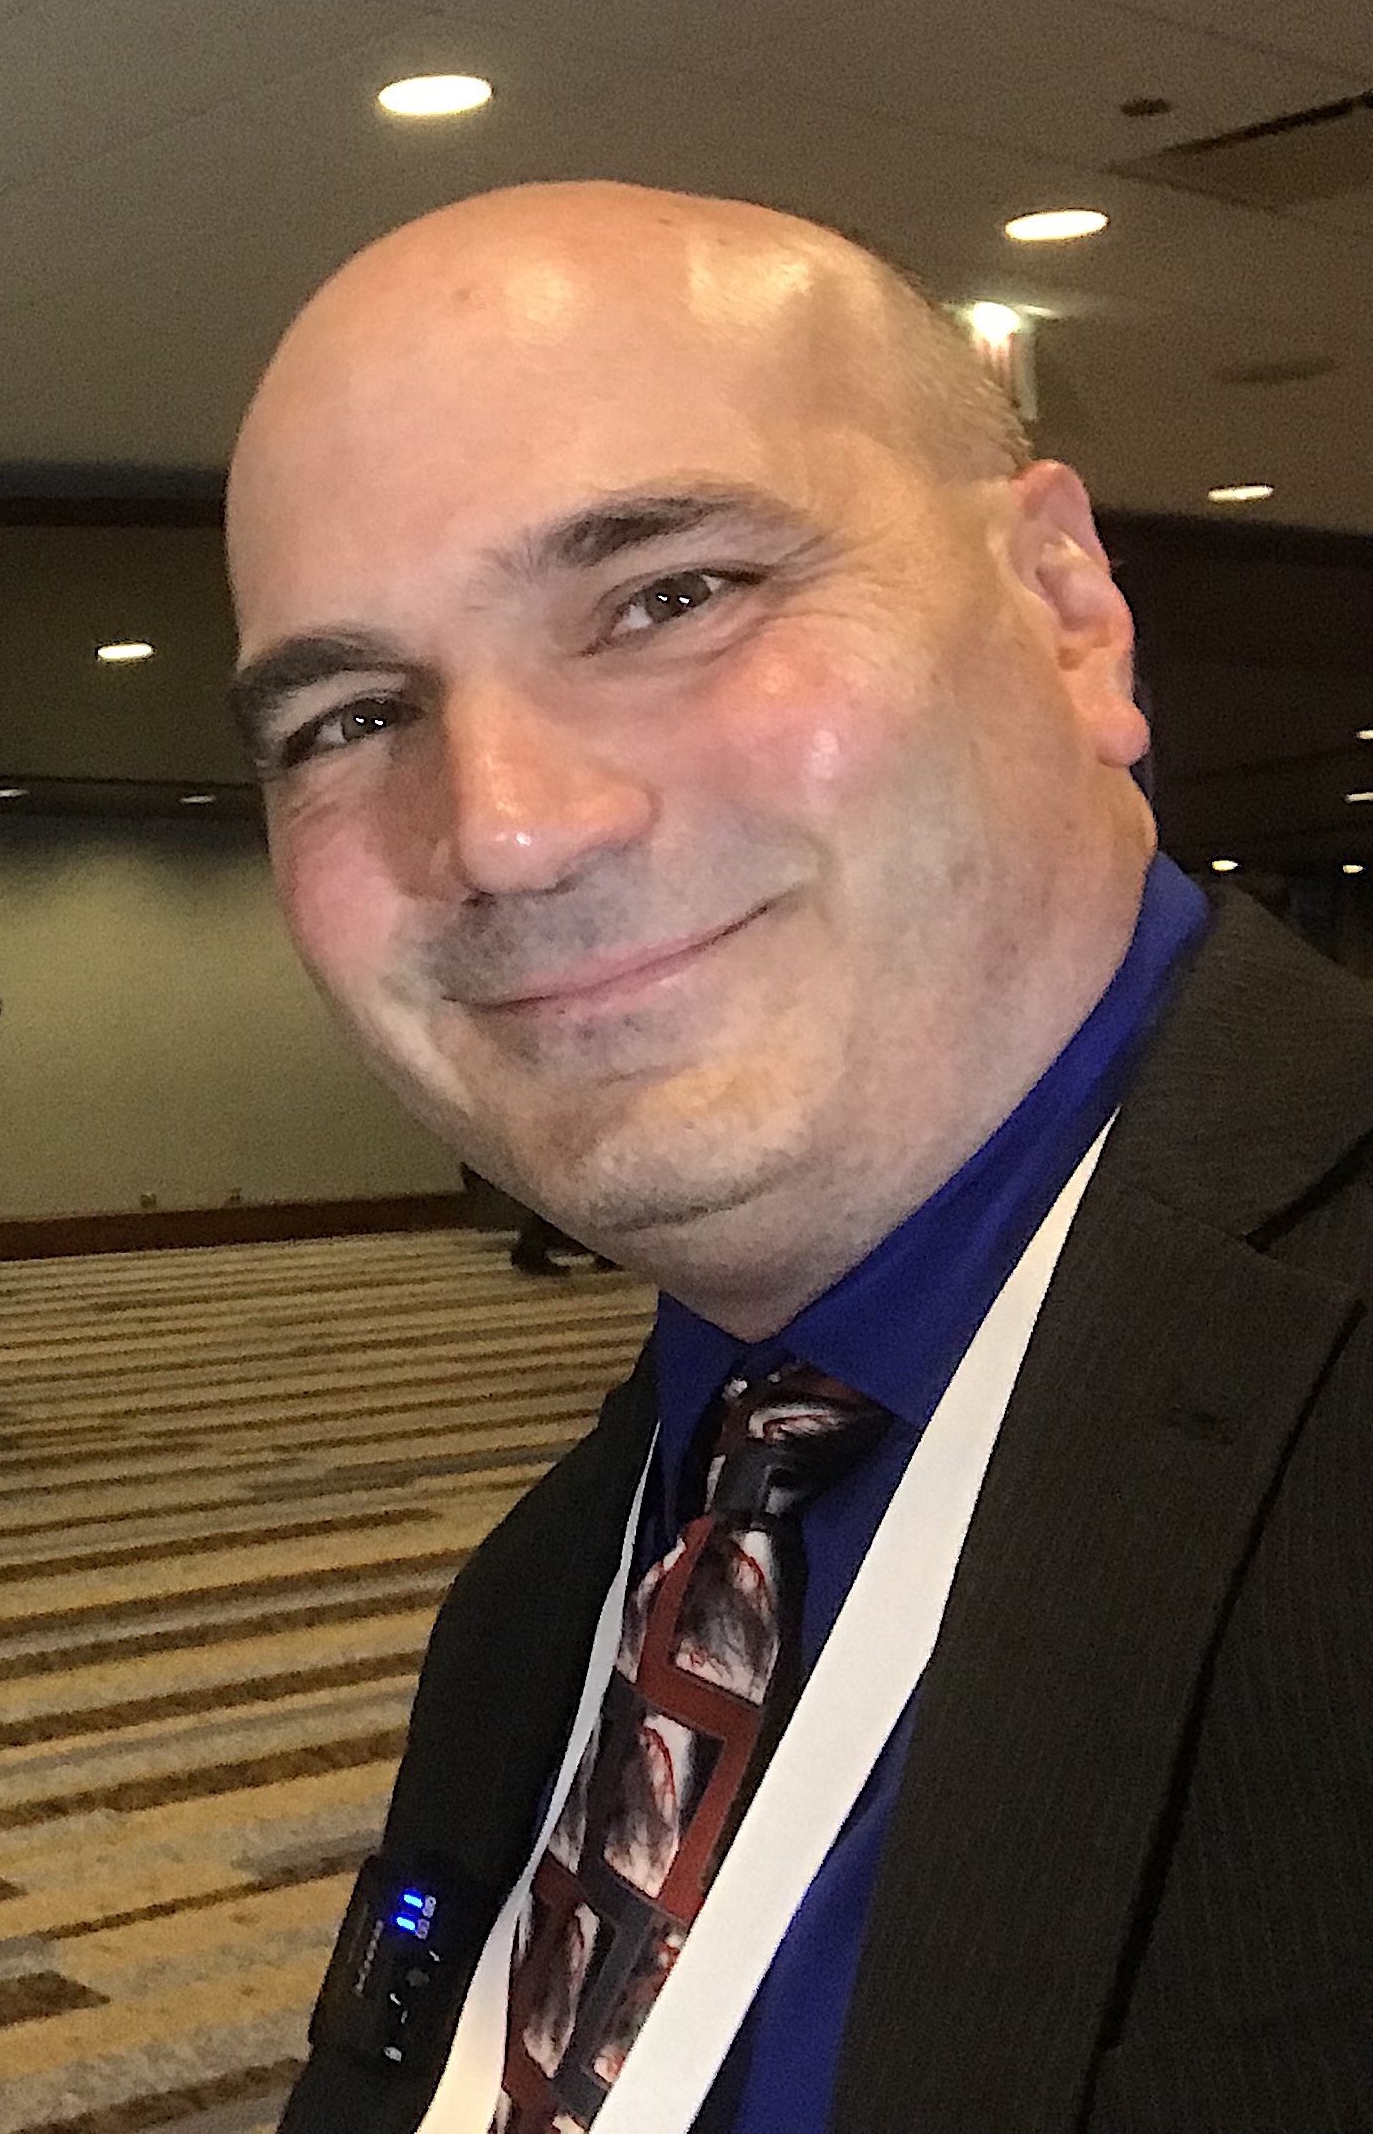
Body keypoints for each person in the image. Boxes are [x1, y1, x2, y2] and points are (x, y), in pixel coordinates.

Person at [225, 182, 1373, 2133]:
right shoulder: (558, 1581)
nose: (501, 829)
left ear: (1063, 610)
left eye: (667, 596)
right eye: (350, 715)